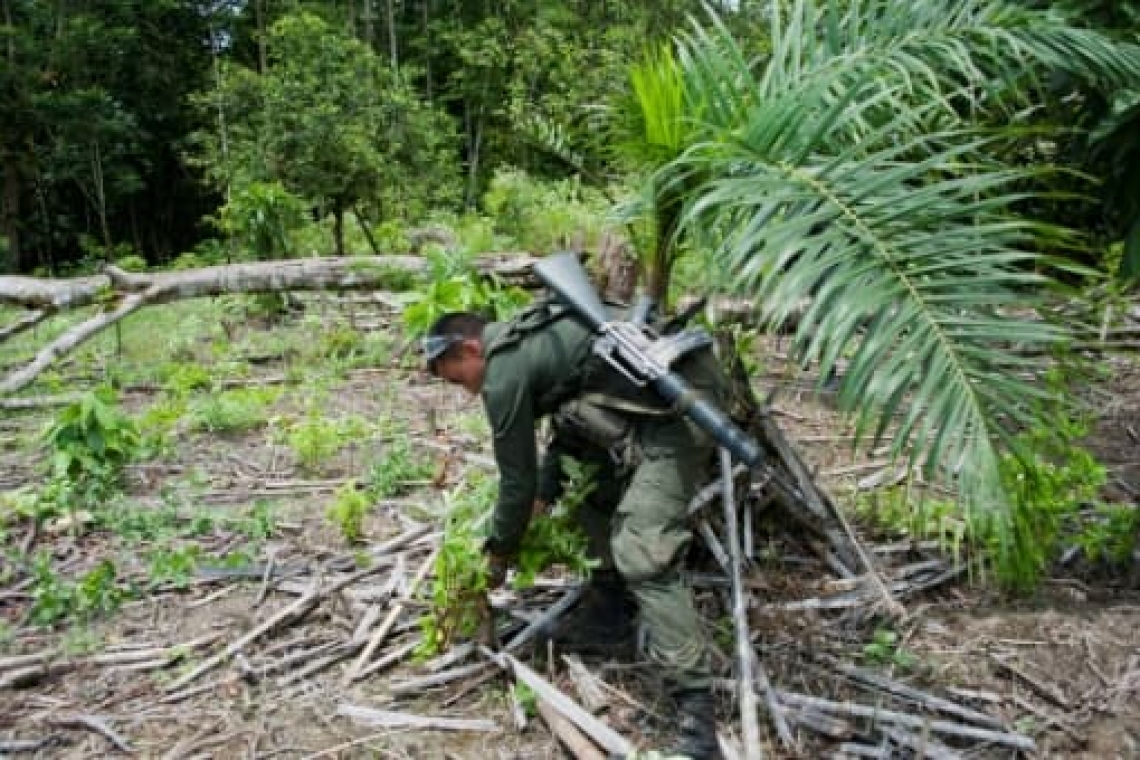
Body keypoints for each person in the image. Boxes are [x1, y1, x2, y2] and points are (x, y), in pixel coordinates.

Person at [422, 298, 727, 760]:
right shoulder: (529, 340)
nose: (464, 391)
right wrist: (547, 491)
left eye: (456, 376)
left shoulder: (504, 373)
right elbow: (572, 428)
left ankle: (697, 718)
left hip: (682, 409)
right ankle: (609, 615)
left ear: (470, 348)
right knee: (587, 492)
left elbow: (515, 483)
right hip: (649, 400)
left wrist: (499, 554)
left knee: (642, 551)